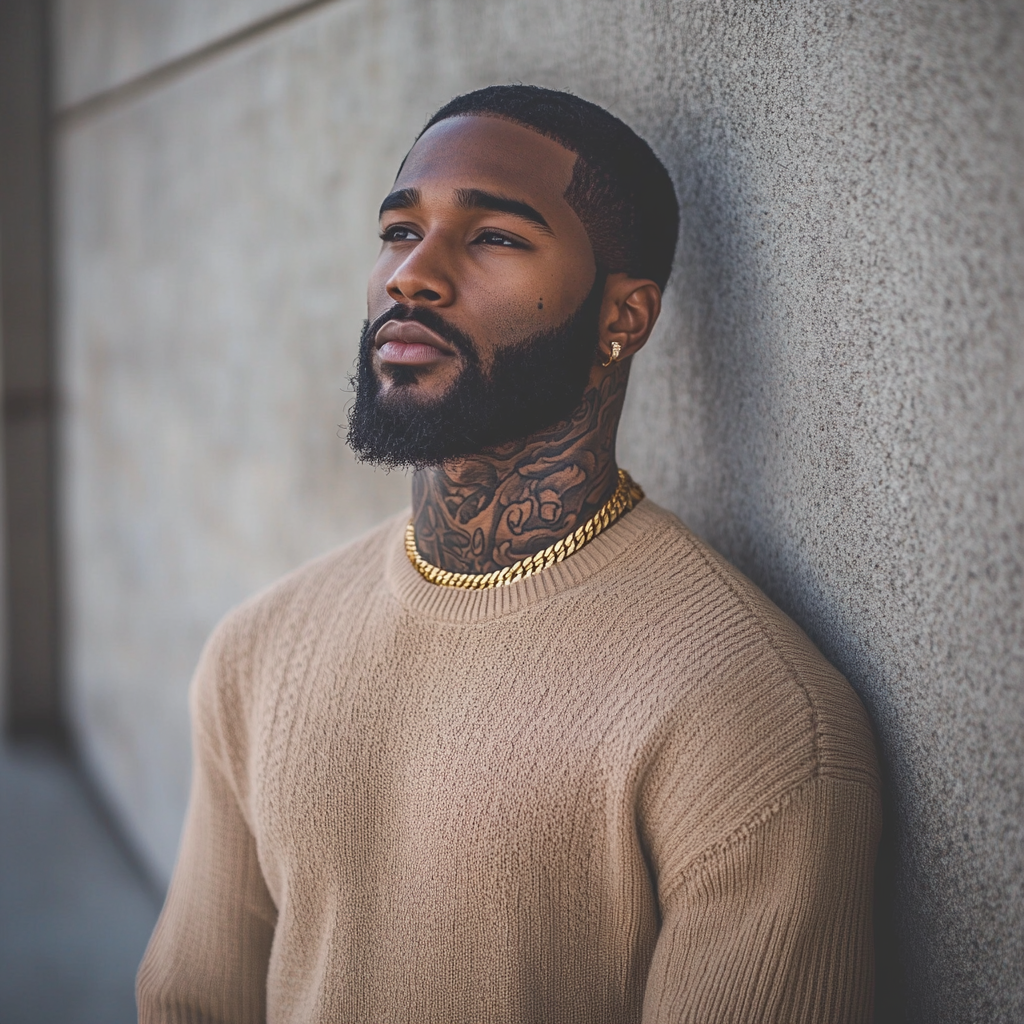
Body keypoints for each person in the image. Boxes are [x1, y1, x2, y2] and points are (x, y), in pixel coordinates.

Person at [137, 85, 881, 1023]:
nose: (414, 274)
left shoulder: (752, 719)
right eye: (399, 231)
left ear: (626, 317)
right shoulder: (258, 650)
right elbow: (189, 1004)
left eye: (494, 237)